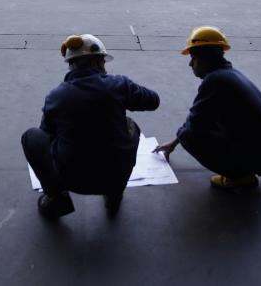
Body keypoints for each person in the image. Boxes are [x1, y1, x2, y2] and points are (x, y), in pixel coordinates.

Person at [22, 34, 160, 219]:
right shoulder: (119, 85)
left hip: (72, 179)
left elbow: (46, 135)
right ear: (98, 62)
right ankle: (114, 195)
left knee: (32, 136)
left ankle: (56, 197)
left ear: (71, 64)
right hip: (115, 178)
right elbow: (153, 101)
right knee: (130, 125)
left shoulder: (56, 96)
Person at [153, 26, 261, 190]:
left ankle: (240, 177)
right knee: (197, 129)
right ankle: (246, 167)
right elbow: (200, 116)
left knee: (190, 137)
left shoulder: (215, 82)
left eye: (193, 58)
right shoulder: (229, 74)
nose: (190, 64)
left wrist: (180, 138)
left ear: (204, 58)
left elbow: (194, 126)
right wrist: (173, 143)